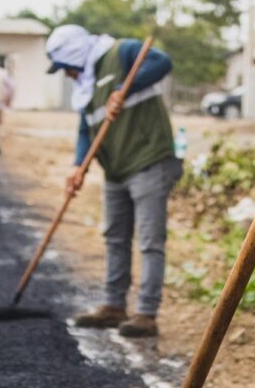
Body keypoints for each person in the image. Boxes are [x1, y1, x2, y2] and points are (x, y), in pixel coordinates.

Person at [44, 24, 181, 338]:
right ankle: (113, 305)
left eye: (66, 68)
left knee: (149, 240)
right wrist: (78, 167)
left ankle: (146, 313)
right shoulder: (86, 86)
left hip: (148, 161)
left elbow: (162, 62)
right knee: (115, 237)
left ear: (76, 57)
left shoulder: (122, 52)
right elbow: (85, 130)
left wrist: (125, 88)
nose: (66, 75)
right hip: (115, 169)